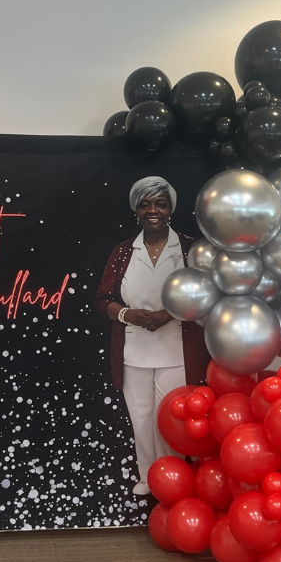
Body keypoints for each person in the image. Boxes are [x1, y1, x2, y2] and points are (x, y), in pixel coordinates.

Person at [94, 176, 207, 498]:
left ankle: (175, 480)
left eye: (160, 203)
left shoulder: (188, 248)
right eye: (145, 204)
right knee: (141, 419)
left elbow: (204, 296)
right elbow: (103, 300)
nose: (152, 210)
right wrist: (126, 314)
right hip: (134, 350)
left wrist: (169, 314)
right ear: (136, 211)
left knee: (171, 419)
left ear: (171, 209)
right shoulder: (122, 252)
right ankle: (148, 477)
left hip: (176, 350)